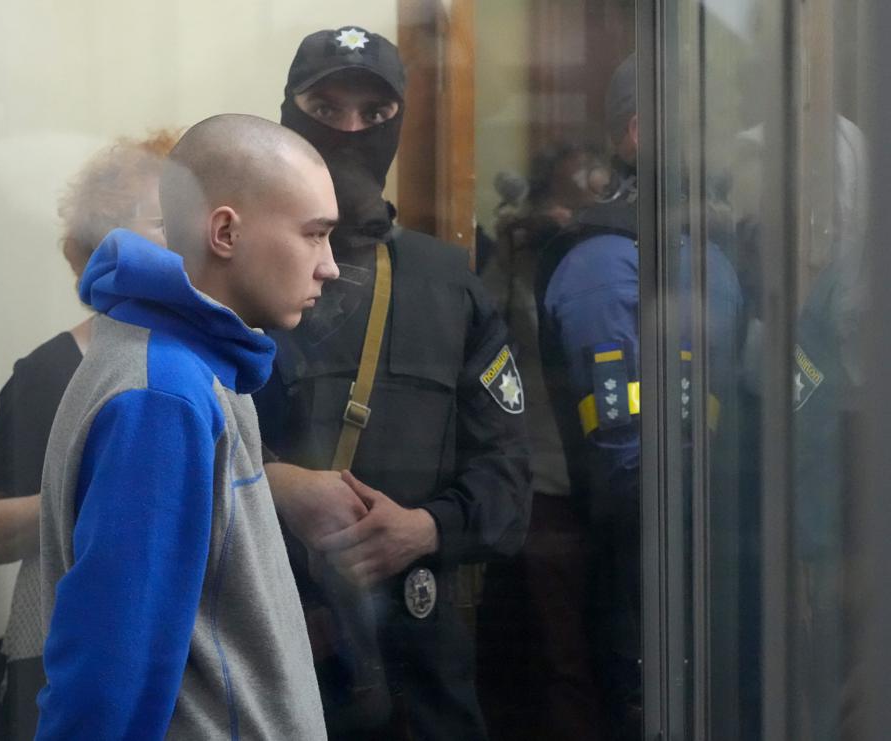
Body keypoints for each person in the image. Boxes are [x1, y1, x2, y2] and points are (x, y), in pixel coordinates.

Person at [255, 25, 532, 740]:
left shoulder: (450, 286)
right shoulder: (236, 270)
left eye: (373, 114)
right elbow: (180, 449)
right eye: (327, 107)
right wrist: (275, 485)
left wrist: (424, 528)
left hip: (420, 653)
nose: (349, 129)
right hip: (276, 645)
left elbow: (507, 480)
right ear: (288, 114)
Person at [34, 114, 338, 739]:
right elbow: (108, 672)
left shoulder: (197, 364)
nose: (329, 266)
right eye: (314, 236)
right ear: (225, 231)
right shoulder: (161, 393)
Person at [536, 54, 742, 740]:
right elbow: (623, 451)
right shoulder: (604, 258)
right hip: (641, 549)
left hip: (716, 540)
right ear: (636, 132)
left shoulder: (711, 248)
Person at [0, 129, 177, 740]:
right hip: (62, 664)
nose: (187, 241)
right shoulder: (52, 372)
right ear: (105, 244)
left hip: (187, 665)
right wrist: (89, 492)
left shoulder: (229, 369)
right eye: (164, 221)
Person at [475, 141, 608, 741]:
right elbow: (487, 336)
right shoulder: (525, 258)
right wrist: (515, 251)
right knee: (550, 652)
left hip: (616, 473)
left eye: (588, 197)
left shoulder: (614, 255)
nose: (568, 214)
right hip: (543, 475)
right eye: (557, 201)